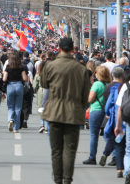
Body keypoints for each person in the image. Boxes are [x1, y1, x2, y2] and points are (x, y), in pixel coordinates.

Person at [41, 38, 90, 184]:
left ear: (59, 48)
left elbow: (44, 84)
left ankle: (57, 180)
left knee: (56, 150)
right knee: (70, 150)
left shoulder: (50, 66)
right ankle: (67, 180)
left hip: (54, 111)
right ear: (73, 49)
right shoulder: (81, 68)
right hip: (73, 112)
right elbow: (85, 95)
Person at [83, 66, 111, 165]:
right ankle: (114, 156)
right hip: (107, 112)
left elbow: (90, 99)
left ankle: (92, 157)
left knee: (94, 135)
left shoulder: (97, 84)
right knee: (108, 134)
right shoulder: (109, 84)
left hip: (96, 110)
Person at [103, 67, 125, 177]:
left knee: (116, 140)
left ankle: (119, 167)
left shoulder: (110, 88)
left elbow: (108, 105)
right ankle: (126, 165)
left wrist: (107, 113)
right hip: (129, 118)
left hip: (115, 116)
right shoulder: (126, 87)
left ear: (112, 75)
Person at [3, 53, 28, 133]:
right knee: (18, 107)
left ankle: (10, 119)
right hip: (19, 86)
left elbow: (4, 79)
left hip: (10, 86)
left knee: (10, 106)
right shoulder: (21, 67)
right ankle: (16, 128)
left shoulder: (8, 67)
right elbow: (25, 79)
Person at [33, 60, 46, 133]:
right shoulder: (50, 74)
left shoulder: (38, 75)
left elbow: (34, 85)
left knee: (41, 108)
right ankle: (47, 126)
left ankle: (42, 124)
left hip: (41, 91)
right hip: (49, 90)